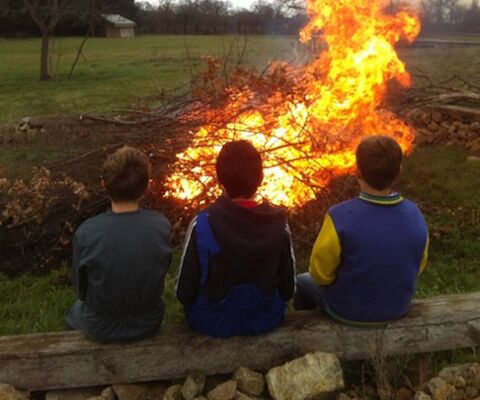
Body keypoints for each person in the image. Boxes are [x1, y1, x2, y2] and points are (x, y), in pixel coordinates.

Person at [295, 135, 429, 325]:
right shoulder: (415, 214)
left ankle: (307, 331)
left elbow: (320, 274)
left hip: (346, 310)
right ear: (399, 171)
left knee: (302, 281)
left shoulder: (339, 216)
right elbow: (418, 266)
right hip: (397, 307)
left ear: (357, 171)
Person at [176, 140, 295, 337]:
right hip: (265, 319)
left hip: (212, 323)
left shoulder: (202, 225)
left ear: (219, 179)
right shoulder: (279, 226)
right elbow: (288, 291)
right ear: (260, 178)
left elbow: (184, 293)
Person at [66, 146, 172, 342]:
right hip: (148, 323)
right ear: (147, 187)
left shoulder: (87, 233)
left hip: (100, 327)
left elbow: (82, 291)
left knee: (76, 310)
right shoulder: (161, 226)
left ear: (104, 185)